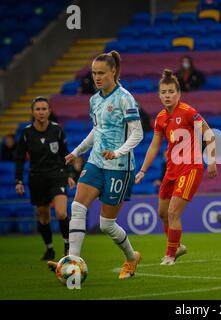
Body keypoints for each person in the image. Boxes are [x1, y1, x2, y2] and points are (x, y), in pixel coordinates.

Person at [48, 51, 144, 279]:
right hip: (95, 162)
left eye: (101, 73)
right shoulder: (94, 99)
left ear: (113, 72)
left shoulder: (125, 98)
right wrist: (76, 151)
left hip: (119, 167)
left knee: (106, 225)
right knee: (77, 207)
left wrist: (118, 151)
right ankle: (72, 263)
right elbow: (97, 130)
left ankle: (131, 258)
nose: (97, 77)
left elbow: (138, 133)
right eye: (93, 73)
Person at [135, 69, 217, 266]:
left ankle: (170, 254)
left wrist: (212, 160)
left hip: (191, 168)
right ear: (159, 95)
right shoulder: (160, 118)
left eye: (171, 91)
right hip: (171, 170)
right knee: (162, 214)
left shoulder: (188, 112)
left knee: (173, 212)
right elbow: (155, 145)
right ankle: (177, 245)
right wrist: (143, 170)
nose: (167, 95)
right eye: (163, 92)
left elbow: (209, 133)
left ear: (178, 93)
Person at [15, 97, 75, 260]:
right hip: (37, 178)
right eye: (38, 109)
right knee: (44, 217)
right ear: (33, 112)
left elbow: (65, 153)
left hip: (57, 175)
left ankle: (68, 246)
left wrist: (69, 174)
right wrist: (18, 180)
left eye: (44, 109)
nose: (41, 112)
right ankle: (49, 248)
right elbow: (19, 158)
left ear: (49, 111)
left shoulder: (57, 130)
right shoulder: (26, 133)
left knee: (61, 213)